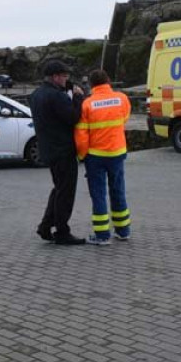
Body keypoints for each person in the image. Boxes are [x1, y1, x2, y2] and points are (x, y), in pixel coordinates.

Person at [31, 60, 86, 245]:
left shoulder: (37, 94)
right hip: (63, 150)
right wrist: (78, 97)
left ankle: (45, 226)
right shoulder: (56, 96)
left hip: (48, 149)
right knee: (66, 192)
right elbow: (73, 117)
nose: (66, 79)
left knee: (59, 188)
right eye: (64, 75)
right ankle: (62, 231)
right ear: (55, 77)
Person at [75, 70, 131, 245]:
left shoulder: (87, 104)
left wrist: (82, 155)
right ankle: (123, 231)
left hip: (96, 156)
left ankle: (102, 235)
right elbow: (124, 119)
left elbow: (81, 134)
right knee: (118, 191)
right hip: (117, 153)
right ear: (108, 81)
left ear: (91, 85)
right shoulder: (121, 98)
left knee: (99, 195)